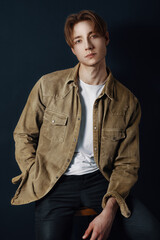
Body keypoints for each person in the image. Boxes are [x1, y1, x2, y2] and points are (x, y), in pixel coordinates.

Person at [11, 10, 160, 240]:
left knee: (149, 231)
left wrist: (109, 211)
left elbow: (127, 163)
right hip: (55, 181)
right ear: (73, 49)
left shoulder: (128, 101)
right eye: (79, 40)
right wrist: (34, 171)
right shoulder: (48, 86)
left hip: (100, 180)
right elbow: (23, 134)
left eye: (94, 36)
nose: (88, 45)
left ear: (106, 38)